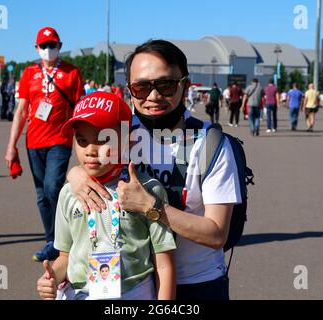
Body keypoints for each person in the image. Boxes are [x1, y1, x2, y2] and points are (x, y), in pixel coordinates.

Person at [67, 40, 242, 300]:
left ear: (184, 84)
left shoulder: (211, 144)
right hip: (133, 283)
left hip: (196, 282)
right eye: (141, 87)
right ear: (129, 90)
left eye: (166, 85)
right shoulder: (122, 133)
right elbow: (89, 155)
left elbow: (217, 234)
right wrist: (76, 175)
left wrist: (152, 207)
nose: (153, 96)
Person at [36, 91, 176, 300]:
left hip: (133, 293)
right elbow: (65, 256)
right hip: (79, 293)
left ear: (128, 141)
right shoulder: (69, 193)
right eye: (82, 140)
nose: (91, 150)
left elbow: (164, 266)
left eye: (103, 140)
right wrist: (52, 278)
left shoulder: (147, 191)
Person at [5, 27, 84, 261]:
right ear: (36, 48)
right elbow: (20, 111)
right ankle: (52, 240)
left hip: (60, 139)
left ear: (60, 46)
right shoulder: (29, 73)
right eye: (43, 46)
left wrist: (83, 145)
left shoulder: (72, 72)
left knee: (52, 186)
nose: (48, 50)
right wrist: (12, 145)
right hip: (34, 140)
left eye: (52, 45)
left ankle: (67, 236)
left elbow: (80, 109)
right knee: (41, 194)